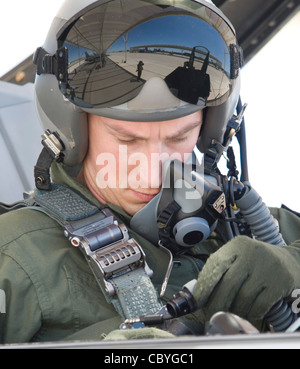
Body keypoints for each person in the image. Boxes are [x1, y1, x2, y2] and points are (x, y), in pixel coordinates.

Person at [1, 0, 300, 345]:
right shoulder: (15, 257)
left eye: (179, 136)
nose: (153, 171)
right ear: (73, 130)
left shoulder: (250, 227)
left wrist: (291, 263)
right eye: (126, 139)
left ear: (209, 130)